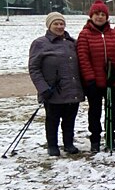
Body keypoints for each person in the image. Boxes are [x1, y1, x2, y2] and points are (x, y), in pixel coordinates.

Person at [29, 12, 85, 156]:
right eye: (56, 24)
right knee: (53, 119)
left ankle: (68, 143)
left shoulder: (72, 43)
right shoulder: (40, 44)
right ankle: (52, 145)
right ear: (49, 25)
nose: (59, 26)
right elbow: (34, 69)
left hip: (72, 89)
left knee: (69, 119)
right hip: (53, 90)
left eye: (61, 23)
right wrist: (43, 88)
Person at [76, 0, 115, 153]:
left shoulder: (114, 34)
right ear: (91, 16)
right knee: (95, 111)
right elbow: (83, 58)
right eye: (97, 14)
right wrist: (90, 78)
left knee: (111, 109)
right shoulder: (85, 34)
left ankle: (110, 137)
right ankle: (95, 138)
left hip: (112, 80)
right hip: (94, 82)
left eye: (102, 14)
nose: (100, 17)